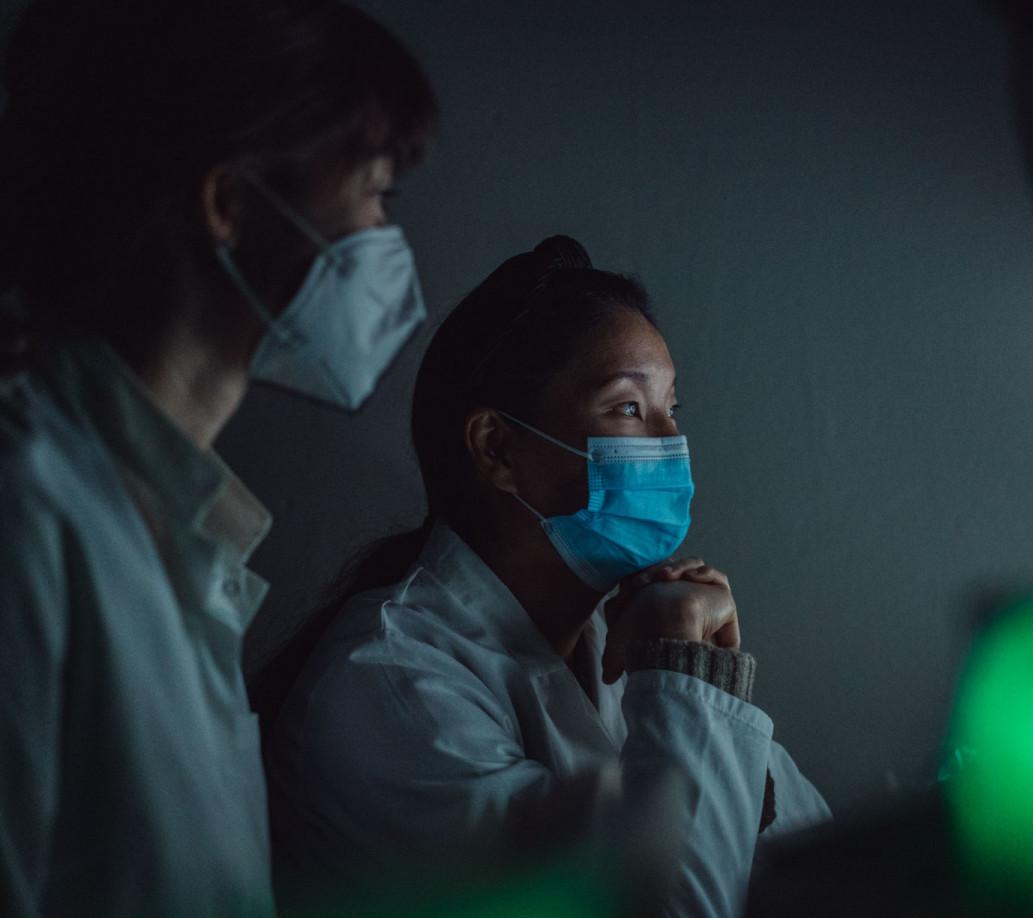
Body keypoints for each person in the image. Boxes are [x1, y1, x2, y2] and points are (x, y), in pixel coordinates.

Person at [0, 1, 436, 915]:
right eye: (374, 194)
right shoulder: (28, 504)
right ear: (230, 203)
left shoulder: (166, 528)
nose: (388, 245)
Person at [266, 236, 830, 917]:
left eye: (671, 410)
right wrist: (683, 670)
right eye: (627, 407)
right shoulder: (387, 684)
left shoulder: (613, 630)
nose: (667, 444)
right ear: (497, 448)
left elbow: (823, 855)